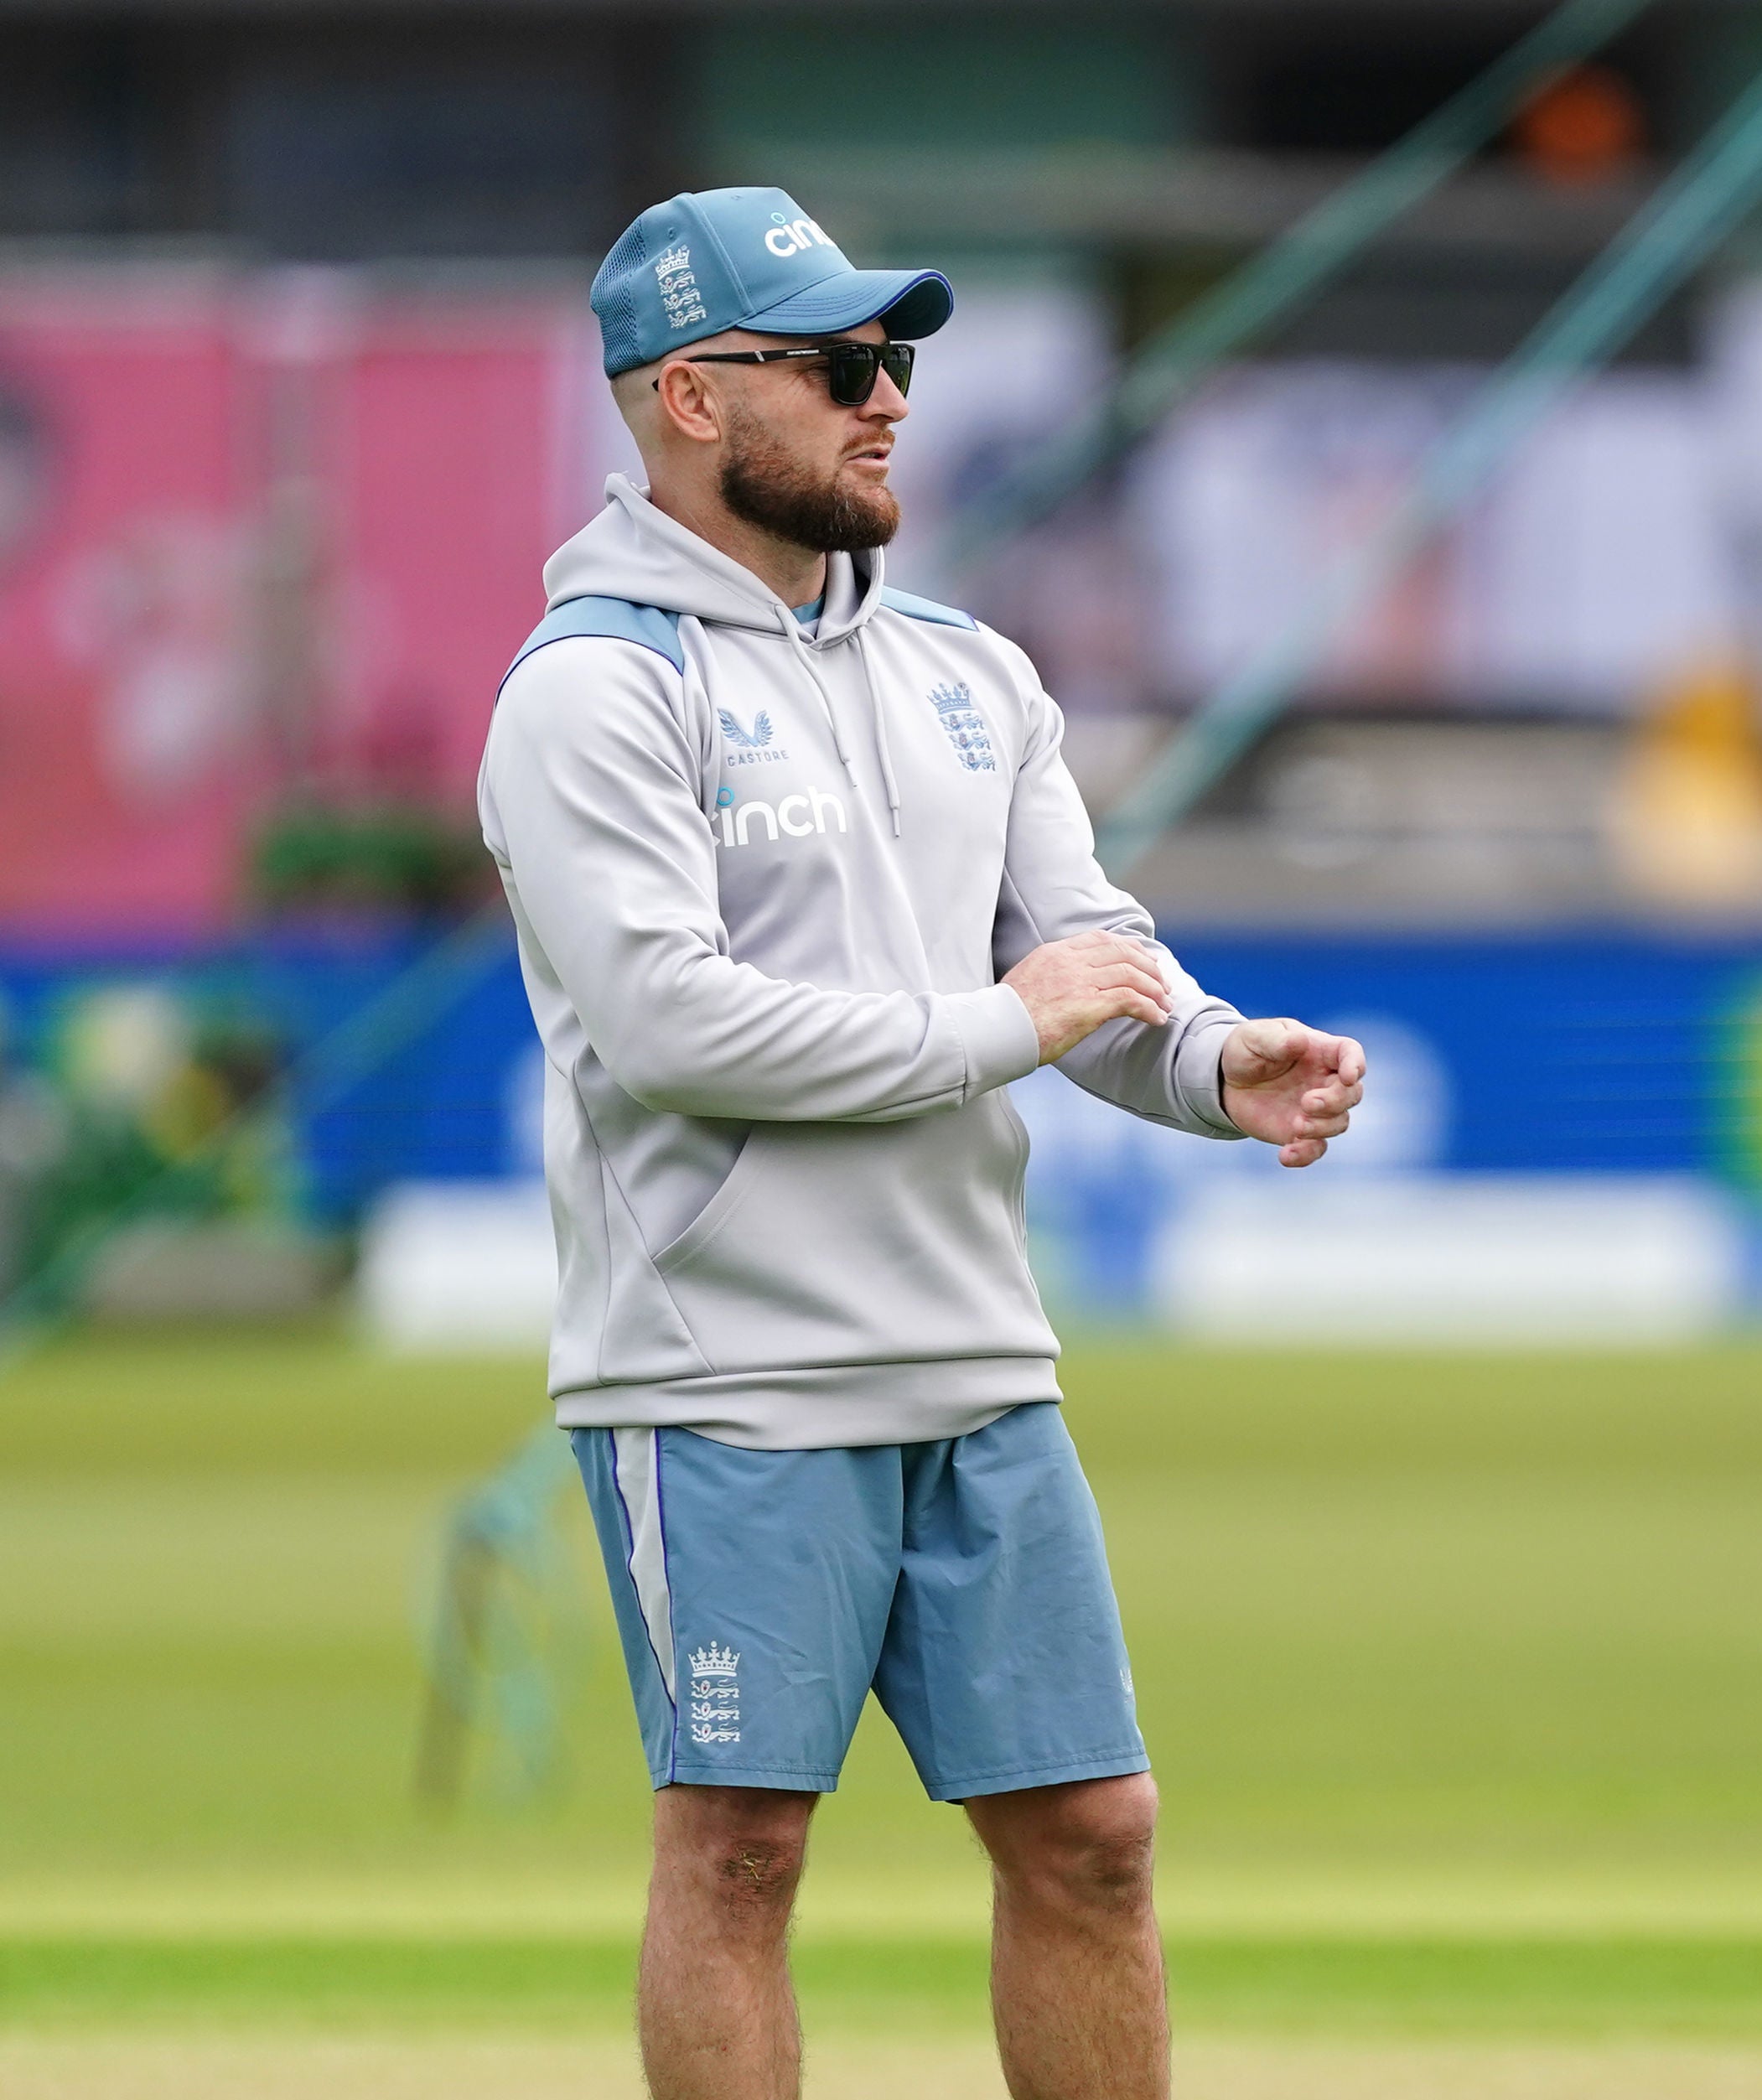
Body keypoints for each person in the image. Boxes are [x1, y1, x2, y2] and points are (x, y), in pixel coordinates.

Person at [478, 187, 1365, 2100]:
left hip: (976, 1359)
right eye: (841, 363)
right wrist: (1012, 1025)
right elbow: (673, 1026)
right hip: (722, 1373)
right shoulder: (592, 688)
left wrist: (1216, 1063)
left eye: (898, 359)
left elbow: (1078, 958)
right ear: (692, 398)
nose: (891, 399)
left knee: (1097, 1834)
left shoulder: (973, 669)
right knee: (738, 1852)